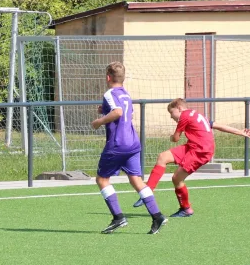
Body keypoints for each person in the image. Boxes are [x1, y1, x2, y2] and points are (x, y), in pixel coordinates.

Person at [133, 98, 250, 217]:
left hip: (201, 151)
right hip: (193, 146)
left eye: (171, 113)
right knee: (163, 157)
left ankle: (186, 209)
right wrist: (240, 132)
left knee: (176, 179)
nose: (171, 117)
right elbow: (218, 126)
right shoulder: (196, 114)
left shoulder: (184, 115)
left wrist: (171, 137)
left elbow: (175, 139)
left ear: (179, 108)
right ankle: (147, 192)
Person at [91, 62, 167, 235]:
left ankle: (118, 217)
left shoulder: (109, 92)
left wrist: (99, 121)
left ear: (107, 77)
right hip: (133, 143)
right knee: (136, 181)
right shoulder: (126, 93)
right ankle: (157, 216)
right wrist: (104, 109)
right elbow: (126, 111)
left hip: (118, 144)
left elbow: (118, 112)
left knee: (102, 180)